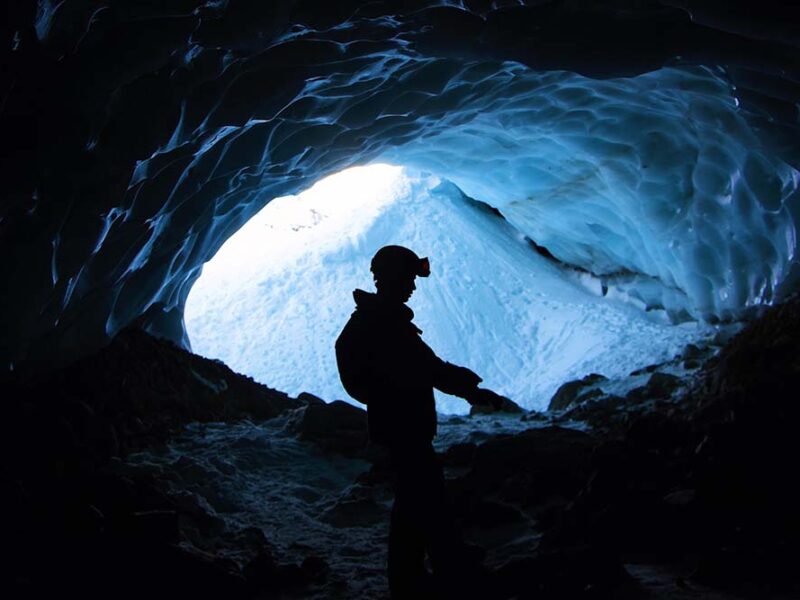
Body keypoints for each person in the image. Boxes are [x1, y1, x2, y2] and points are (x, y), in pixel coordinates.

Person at [335, 245, 506, 599]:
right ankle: (447, 574)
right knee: (427, 501)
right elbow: (428, 368)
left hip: (399, 427)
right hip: (405, 429)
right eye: (409, 278)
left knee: (413, 504)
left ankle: (414, 578)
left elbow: (421, 367)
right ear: (392, 279)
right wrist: (468, 389)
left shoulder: (379, 320)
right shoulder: (385, 324)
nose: (413, 286)